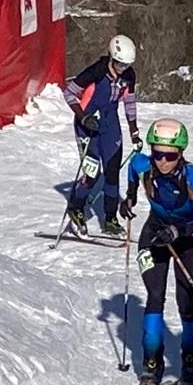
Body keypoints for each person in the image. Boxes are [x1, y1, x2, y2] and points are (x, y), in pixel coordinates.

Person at [119, 118, 193, 385]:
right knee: (154, 296)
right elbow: (133, 169)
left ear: (180, 153)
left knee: (186, 301)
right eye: (157, 154)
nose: (162, 161)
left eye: (169, 156)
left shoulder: (191, 176)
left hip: (186, 239)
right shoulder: (143, 165)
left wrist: (178, 230)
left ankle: (191, 360)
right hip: (155, 232)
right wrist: (130, 196)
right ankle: (151, 364)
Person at [64, 34, 140, 236]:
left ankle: (110, 218)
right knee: (92, 172)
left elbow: (129, 103)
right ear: (111, 58)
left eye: (126, 65)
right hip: (88, 124)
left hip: (109, 123)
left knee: (112, 171)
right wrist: (83, 116)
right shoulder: (96, 72)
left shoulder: (129, 76)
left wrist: (134, 130)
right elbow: (69, 93)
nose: (123, 69)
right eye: (119, 64)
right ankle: (76, 207)